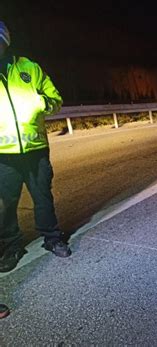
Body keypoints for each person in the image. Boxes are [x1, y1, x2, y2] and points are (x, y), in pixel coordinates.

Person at [0, 21, 71, 273]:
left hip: (36, 149)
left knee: (42, 197)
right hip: (3, 156)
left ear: (5, 41)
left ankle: (52, 238)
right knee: (6, 203)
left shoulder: (29, 68)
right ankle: (11, 246)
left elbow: (56, 100)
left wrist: (40, 101)